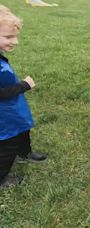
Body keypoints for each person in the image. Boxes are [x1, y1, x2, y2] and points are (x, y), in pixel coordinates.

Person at [0, 4, 47, 188]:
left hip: (13, 110)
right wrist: (23, 85)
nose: (15, 41)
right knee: (7, 146)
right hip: (4, 118)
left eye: (16, 36)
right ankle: (1, 178)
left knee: (22, 131)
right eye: (9, 37)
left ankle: (24, 153)